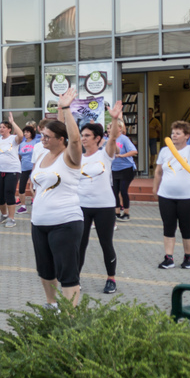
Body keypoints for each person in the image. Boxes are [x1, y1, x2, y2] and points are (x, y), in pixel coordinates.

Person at [30, 88, 84, 308]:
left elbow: (76, 140)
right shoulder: (42, 154)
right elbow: (35, 184)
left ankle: (70, 316)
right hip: (39, 223)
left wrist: (66, 109)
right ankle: (51, 306)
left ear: (61, 139)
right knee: (45, 270)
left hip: (65, 222)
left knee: (67, 272)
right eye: (42, 135)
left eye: (47, 136)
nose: (42, 139)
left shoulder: (70, 157)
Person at [78, 106, 123, 295]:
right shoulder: (77, 158)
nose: (83, 138)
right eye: (82, 135)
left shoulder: (105, 154)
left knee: (106, 243)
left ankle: (111, 278)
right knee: (79, 244)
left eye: (87, 135)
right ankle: (74, 277)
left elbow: (112, 138)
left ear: (97, 138)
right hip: (81, 207)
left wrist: (113, 119)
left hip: (104, 206)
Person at [154, 120, 190, 270]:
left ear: (187, 136)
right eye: (173, 133)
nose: (174, 136)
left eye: (178, 133)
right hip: (166, 195)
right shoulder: (165, 151)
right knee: (168, 227)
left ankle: (188, 257)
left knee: (186, 227)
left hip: (188, 196)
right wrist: (155, 188)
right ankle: (168, 257)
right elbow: (158, 171)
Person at [0, 114, 21, 227]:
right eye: (0, 127)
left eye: (4, 127)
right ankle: (4, 214)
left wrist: (13, 122)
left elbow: (21, 135)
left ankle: (11, 218)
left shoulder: (13, 139)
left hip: (12, 170)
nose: (1, 129)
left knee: (9, 193)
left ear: (9, 129)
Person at [111, 121, 137, 221]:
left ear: (119, 128)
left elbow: (134, 151)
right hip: (114, 169)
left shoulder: (124, 139)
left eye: (113, 127)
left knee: (123, 190)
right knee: (115, 191)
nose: (111, 129)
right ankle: (117, 212)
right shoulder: (109, 139)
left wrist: (122, 155)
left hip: (126, 168)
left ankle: (126, 213)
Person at [16, 126, 37, 214]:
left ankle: (37, 204)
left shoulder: (36, 142)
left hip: (34, 168)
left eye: (28, 132)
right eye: (25, 132)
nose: (26, 134)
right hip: (24, 168)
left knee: (35, 188)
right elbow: (19, 156)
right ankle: (23, 206)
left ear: (31, 133)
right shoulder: (22, 144)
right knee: (21, 188)